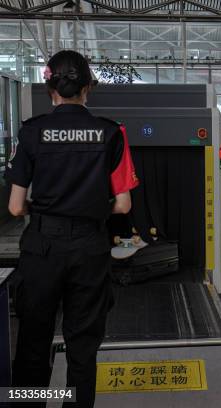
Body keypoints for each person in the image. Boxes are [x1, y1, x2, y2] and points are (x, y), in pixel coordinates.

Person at [6, 50, 138, 407]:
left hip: (42, 249)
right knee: (82, 348)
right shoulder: (112, 134)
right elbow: (123, 204)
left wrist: (45, 208)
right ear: (87, 89)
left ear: (51, 88)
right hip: (89, 249)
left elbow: (16, 207)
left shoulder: (31, 133)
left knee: (33, 344)